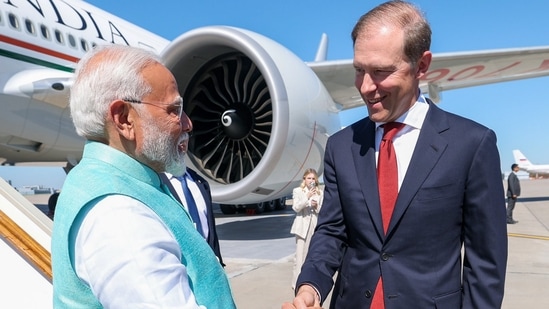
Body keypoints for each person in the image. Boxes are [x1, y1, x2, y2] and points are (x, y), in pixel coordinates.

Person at [283, 1, 507, 308]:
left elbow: (486, 264)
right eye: (359, 70)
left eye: (381, 72)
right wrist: (310, 286)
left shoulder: (471, 144)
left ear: (422, 66)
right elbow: (332, 232)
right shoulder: (341, 146)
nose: (365, 86)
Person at [50, 45, 235, 308]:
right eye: (174, 110)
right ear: (124, 119)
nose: (188, 123)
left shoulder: (104, 181)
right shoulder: (119, 216)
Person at [160, 135, 225, 266]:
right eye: (176, 135)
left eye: (185, 135)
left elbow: (211, 234)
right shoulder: (157, 184)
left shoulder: (200, 183)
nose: (182, 140)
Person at [290, 168, 323, 290]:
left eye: (313, 178)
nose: (311, 180)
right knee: (299, 258)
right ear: (304, 179)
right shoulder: (298, 191)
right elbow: (296, 207)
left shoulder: (319, 193)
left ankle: (309, 284)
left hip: (314, 227)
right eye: (309, 178)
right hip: (302, 228)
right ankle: (296, 284)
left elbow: (322, 211)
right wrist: (307, 198)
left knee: (312, 256)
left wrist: (316, 206)